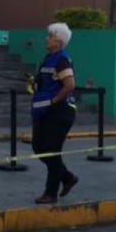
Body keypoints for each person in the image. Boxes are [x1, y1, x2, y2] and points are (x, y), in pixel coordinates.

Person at [31, 23, 79, 204]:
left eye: (50, 36)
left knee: (51, 150)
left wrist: (54, 100)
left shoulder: (62, 60)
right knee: (38, 147)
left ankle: (51, 193)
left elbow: (70, 85)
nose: (47, 39)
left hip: (61, 111)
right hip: (45, 111)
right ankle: (67, 177)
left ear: (58, 41)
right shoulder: (48, 58)